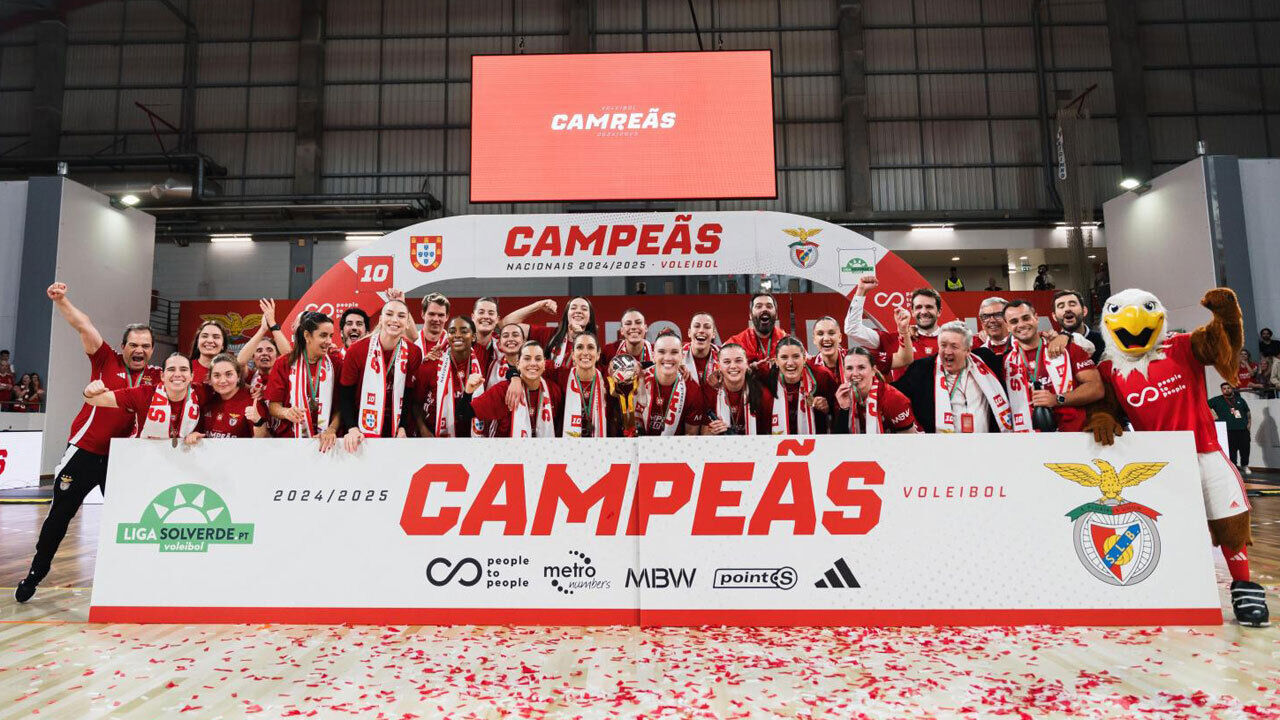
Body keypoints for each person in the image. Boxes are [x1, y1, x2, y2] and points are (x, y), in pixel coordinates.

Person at [15, 282, 161, 604]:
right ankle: (36, 573)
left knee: (129, 519)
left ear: (152, 350)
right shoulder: (105, 359)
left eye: (146, 345)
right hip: (83, 454)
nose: (139, 350)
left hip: (121, 461)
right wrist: (61, 300)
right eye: (134, 345)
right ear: (123, 347)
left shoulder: (158, 377)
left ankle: (130, 581)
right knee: (59, 518)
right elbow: (84, 325)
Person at [892, 321, 1013, 433]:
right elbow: (894, 395)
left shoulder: (986, 361)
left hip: (986, 444)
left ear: (968, 350)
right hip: (940, 445)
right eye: (943, 345)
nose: (948, 352)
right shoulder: (922, 369)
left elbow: (1014, 357)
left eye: (954, 346)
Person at [1003, 299, 1104, 432]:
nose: (1021, 324)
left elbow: (1096, 388)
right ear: (1007, 326)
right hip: (1027, 437)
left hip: (1072, 434)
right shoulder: (1006, 361)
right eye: (1014, 321)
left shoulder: (1066, 348)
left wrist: (1057, 399)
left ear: (1036, 318)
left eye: (1026, 318)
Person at [340, 300, 421, 449]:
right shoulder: (356, 350)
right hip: (361, 425)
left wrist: (402, 427)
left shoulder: (414, 352)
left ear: (407, 323)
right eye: (389, 314)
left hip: (396, 426)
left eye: (401, 316)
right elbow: (345, 395)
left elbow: (409, 394)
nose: (395, 320)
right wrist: (352, 427)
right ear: (381, 319)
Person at [264, 311, 342, 452]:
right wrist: (286, 412)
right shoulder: (284, 363)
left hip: (326, 442)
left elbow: (340, 407)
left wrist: (331, 429)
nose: (329, 341)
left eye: (331, 336)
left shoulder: (336, 364)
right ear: (307, 336)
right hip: (291, 442)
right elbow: (273, 406)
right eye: (323, 335)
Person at [81, 353, 203, 440]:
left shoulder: (201, 392)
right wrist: (89, 392)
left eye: (183, 369)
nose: (177, 374)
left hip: (181, 457)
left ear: (192, 376)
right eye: (171, 369)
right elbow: (92, 400)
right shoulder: (144, 394)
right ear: (162, 376)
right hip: (143, 455)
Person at [844, 275, 939, 379]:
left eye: (929, 307)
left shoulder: (948, 341)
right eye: (918, 307)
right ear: (912, 311)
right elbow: (852, 329)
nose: (924, 311)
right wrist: (861, 291)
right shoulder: (895, 339)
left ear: (939, 311)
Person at [467, 340, 561, 437]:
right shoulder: (504, 390)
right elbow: (463, 413)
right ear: (518, 364)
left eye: (538, 359)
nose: (533, 363)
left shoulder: (553, 390)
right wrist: (468, 392)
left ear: (544, 363)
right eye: (527, 358)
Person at [416, 316, 483, 438]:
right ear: (448, 337)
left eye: (464, 331)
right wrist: (423, 430)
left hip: (471, 439)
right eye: (452, 331)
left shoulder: (481, 362)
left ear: (473, 337)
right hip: (434, 437)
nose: (457, 335)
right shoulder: (431, 365)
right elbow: (415, 403)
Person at [762, 336, 837, 434]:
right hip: (776, 441)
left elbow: (839, 410)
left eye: (796, 356)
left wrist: (828, 408)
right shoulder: (766, 380)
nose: (790, 363)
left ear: (804, 358)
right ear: (776, 361)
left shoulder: (822, 376)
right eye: (784, 357)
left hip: (816, 440)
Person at [634, 332, 705, 436]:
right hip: (637, 444)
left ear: (682, 356)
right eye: (661, 352)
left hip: (676, 446)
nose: (668, 358)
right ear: (653, 356)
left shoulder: (692, 389)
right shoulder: (638, 379)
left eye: (674, 352)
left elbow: (690, 435)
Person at [832, 348, 917, 434]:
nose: (855, 373)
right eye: (849, 368)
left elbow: (908, 439)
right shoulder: (841, 396)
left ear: (873, 371)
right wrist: (844, 409)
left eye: (861, 367)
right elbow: (838, 440)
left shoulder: (893, 398)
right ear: (844, 372)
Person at [184, 353, 266, 441]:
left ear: (238, 376)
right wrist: (194, 435)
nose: (223, 380)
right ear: (210, 379)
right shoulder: (207, 398)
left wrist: (258, 422)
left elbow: (266, 441)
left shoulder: (253, 402)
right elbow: (199, 433)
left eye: (228, 374)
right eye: (217, 375)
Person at [703, 343, 772, 435]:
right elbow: (701, 433)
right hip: (720, 443)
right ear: (719, 365)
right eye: (727, 362)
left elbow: (771, 434)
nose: (733, 366)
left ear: (746, 363)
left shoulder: (762, 394)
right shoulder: (710, 392)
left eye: (738, 361)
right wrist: (711, 433)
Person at [553, 333, 612, 437]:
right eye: (580, 347)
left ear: (598, 354)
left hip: (602, 444)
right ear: (573, 354)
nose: (585, 353)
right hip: (567, 444)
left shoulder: (607, 379)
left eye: (590, 347)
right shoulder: (561, 376)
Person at [724, 293, 787, 368]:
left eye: (769, 306)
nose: (764, 309)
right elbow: (722, 368)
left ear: (776, 315)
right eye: (759, 306)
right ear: (750, 315)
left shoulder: (787, 342)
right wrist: (748, 368)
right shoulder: (735, 343)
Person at [236, 299, 292, 381]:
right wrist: (263, 329)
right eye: (259, 350)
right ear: (252, 357)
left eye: (270, 350)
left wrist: (272, 323)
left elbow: (289, 356)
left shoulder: (285, 375)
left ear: (277, 356)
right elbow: (240, 362)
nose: (264, 353)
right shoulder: (249, 376)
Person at [1209, 382, 1251, 472]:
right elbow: (1204, 405)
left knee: (1245, 449)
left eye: (1228, 388)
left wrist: (1249, 423)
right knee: (1232, 450)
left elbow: (1247, 412)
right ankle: (1233, 466)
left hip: (1243, 428)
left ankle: (1245, 465)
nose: (1227, 390)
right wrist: (1213, 415)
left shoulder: (1240, 399)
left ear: (1231, 389)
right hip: (1228, 429)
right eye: (1224, 388)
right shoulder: (1217, 400)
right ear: (1222, 390)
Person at [1052, 290, 1104, 363]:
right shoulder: (1052, 346)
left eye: (1072, 304)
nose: (1067, 309)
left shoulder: (1104, 340)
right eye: (1061, 306)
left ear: (1084, 311)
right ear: (1054, 316)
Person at [682, 312, 719, 385]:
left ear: (714, 334)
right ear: (689, 332)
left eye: (707, 327)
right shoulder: (677, 356)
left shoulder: (723, 358)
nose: (701, 330)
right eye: (696, 326)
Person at [188, 320, 230, 385]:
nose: (210, 340)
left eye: (216, 337)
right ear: (197, 342)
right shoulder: (186, 368)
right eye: (204, 336)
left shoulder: (231, 371)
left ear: (223, 345)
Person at [973, 297, 1014, 361]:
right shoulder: (973, 345)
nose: (992, 320)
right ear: (981, 321)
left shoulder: (1023, 343)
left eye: (998, 315)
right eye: (986, 316)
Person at [471, 297, 501, 375]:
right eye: (481, 312)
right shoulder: (462, 344)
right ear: (473, 317)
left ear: (497, 319)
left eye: (491, 313)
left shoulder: (502, 346)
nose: (486, 316)